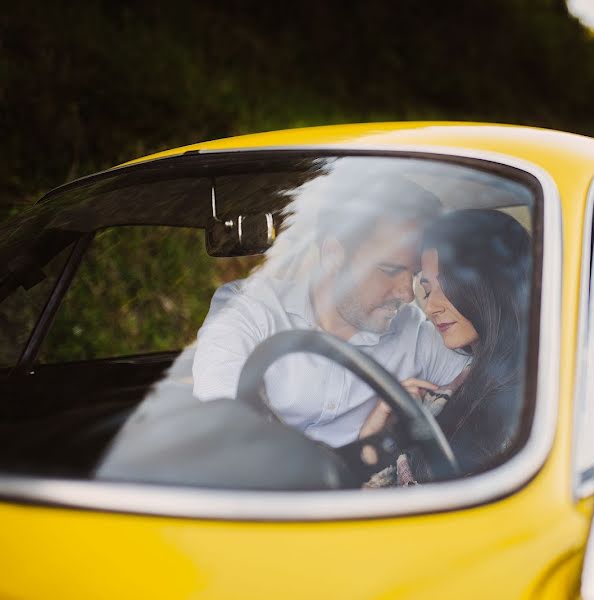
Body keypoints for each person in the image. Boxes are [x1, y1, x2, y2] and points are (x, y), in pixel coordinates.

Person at [191, 176, 468, 448]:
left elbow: (491, 385)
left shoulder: (417, 334)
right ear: (334, 255)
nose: (407, 294)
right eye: (391, 270)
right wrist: (364, 452)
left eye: (415, 274)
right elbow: (223, 436)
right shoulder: (248, 310)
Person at [361, 209, 531, 478]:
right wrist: (373, 437)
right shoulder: (468, 379)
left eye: (447, 286)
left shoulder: (529, 403)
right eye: (427, 291)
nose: (432, 307)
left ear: (493, 283)